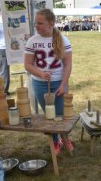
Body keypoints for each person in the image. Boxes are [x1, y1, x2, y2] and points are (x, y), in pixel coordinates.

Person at [24, 8, 73, 154]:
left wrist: (63, 84)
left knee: (60, 114)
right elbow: (27, 64)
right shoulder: (32, 41)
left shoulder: (63, 40)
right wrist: (40, 73)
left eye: (40, 23)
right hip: (39, 83)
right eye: (35, 23)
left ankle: (65, 138)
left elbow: (67, 64)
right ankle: (55, 141)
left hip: (58, 81)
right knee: (48, 114)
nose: (37, 26)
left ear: (51, 23)